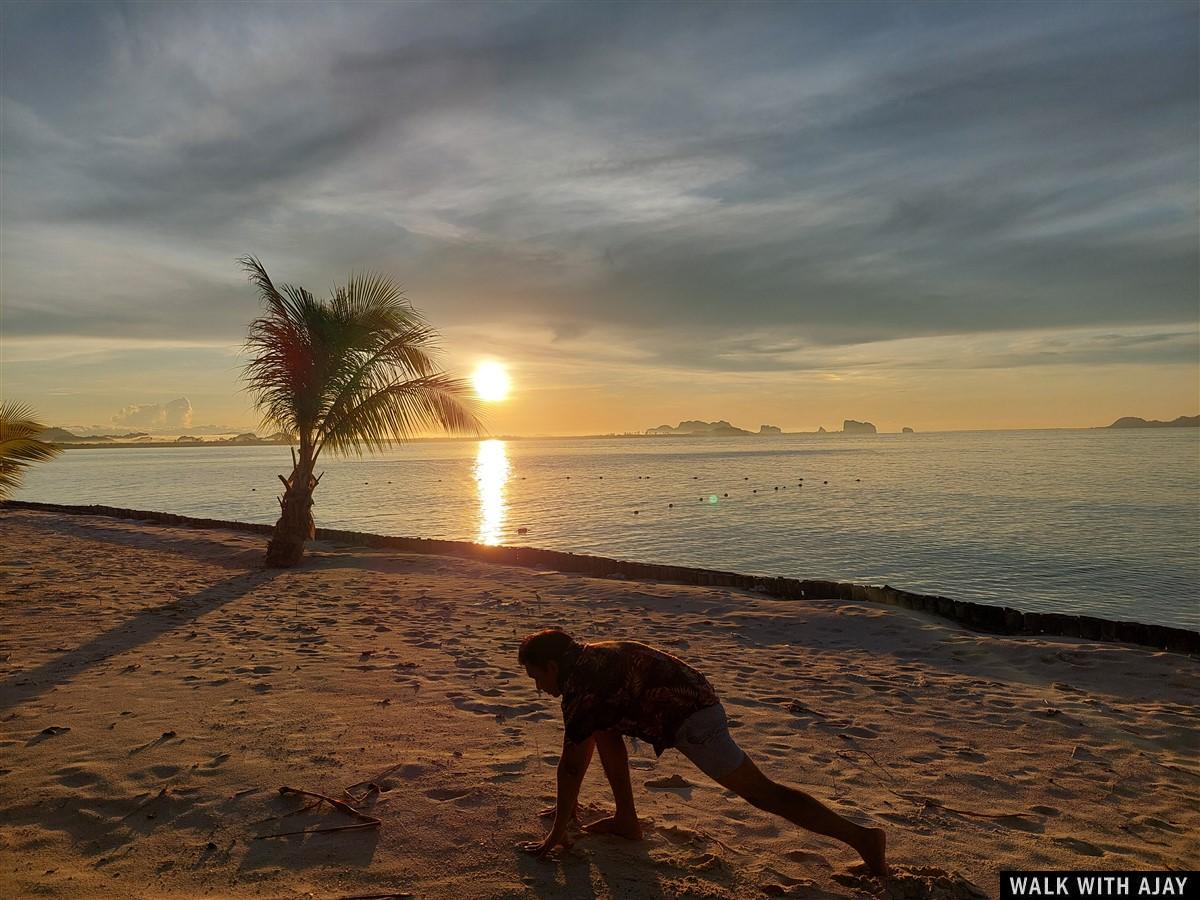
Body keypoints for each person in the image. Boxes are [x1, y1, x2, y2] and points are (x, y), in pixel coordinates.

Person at [515, 627, 887, 875]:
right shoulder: (587, 657)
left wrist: (557, 833)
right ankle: (627, 820)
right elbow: (592, 737)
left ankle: (863, 838)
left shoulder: (581, 685)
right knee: (605, 729)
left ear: (552, 666)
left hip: (695, 720)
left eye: (537, 678)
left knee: (763, 793)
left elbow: (570, 767)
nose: (539, 689)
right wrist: (569, 808)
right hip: (692, 699)